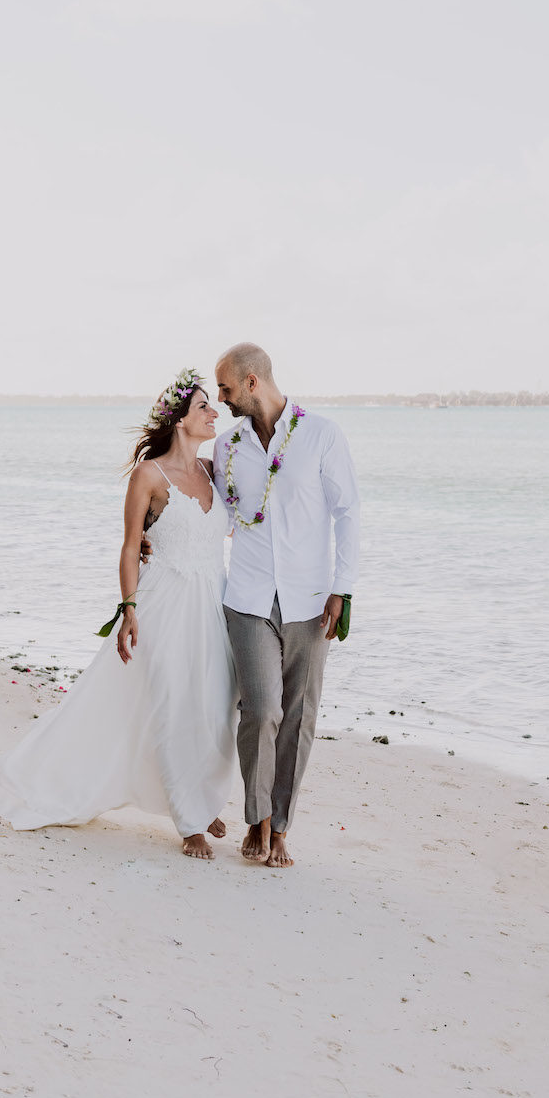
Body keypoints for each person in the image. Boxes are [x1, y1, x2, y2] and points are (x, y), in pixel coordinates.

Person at [0, 369, 238, 860]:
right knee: (172, 704)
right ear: (180, 422)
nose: (215, 414)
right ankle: (189, 821)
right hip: (165, 601)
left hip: (215, 603)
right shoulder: (150, 476)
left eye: (214, 405)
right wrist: (128, 608)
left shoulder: (216, 469)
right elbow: (129, 548)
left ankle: (204, 797)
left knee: (215, 708)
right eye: (204, 408)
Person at [212, 343, 360, 869]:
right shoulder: (227, 446)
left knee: (299, 715)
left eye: (227, 388)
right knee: (262, 709)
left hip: (310, 601)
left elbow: (348, 514)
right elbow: (210, 512)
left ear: (252, 382)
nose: (222, 399)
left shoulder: (321, 436)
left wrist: (342, 589)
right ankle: (256, 816)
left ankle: (280, 827)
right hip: (248, 598)